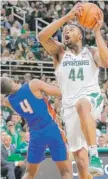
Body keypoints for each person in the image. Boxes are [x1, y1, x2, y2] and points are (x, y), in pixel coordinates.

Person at [38, 2, 108, 178]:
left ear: (80, 36)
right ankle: (89, 160)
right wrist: (68, 16)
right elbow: (41, 36)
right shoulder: (60, 53)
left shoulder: (91, 51)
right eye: (65, 31)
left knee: (82, 104)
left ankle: (94, 154)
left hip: (91, 99)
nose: (66, 32)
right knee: (82, 165)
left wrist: (97, 32)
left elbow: (106, 62)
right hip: (69, 108)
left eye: (71, 29)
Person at [1, 77, 72, 179]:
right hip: (52, 129)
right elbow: (61, 92)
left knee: (29, 174)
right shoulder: (33, 84)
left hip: (35, 134)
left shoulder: (8, 102)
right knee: (66, 173)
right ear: (11, 81)